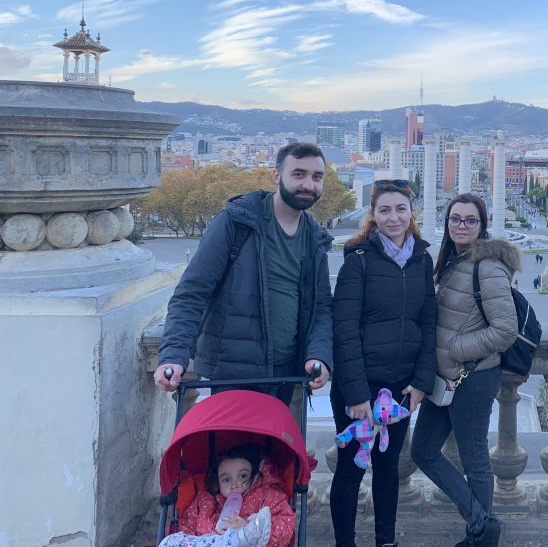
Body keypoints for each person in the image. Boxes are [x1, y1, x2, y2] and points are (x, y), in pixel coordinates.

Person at [155, 143, 333, 401]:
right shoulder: (237, 222)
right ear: (276, 176)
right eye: (299, 174)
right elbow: (192, 293)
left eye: (317, 177)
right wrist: (173, 354)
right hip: (233, 373)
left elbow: (321, 307)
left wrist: (319, 354)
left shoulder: (315, 237)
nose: (308, 184)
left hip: (288, 373)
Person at [330, 180, 437, 547]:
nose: (394, 217)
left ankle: (385, 541)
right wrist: (357, 394)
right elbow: (343, 330)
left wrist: (421, 381)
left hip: (401, 386)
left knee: (388, 468)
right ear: (373, 216)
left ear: (411, 214)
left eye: (401, 209)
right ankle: (345, 542)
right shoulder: (357, 260)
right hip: (359, 386)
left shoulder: (422, 260)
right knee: (350, 469)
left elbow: (428, 324)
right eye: (385, 210)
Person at [411, 193, 518, 547]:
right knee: (422, 451)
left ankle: (479, 535)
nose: (461, 225)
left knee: (475, 462)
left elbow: (505, 330)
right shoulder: (452, 259)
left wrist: (455, 349)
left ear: (482, 225)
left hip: (472, 377)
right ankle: (481, 520)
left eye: (470, 220)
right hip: (444, 378)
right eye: (455, 219)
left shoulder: (487, 266)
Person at [159, 445, 292, 547]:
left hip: (246, 543)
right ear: (218, 482)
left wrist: (247, 525)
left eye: (243, 476)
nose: (235, 484)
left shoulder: (267, 495)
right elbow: (188, 525)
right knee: (170, 541)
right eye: (227, 480)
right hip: (211, 542)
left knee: (246, 535)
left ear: (255, 475)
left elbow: (286, 526)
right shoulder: (206, 500)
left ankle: (246, 534)